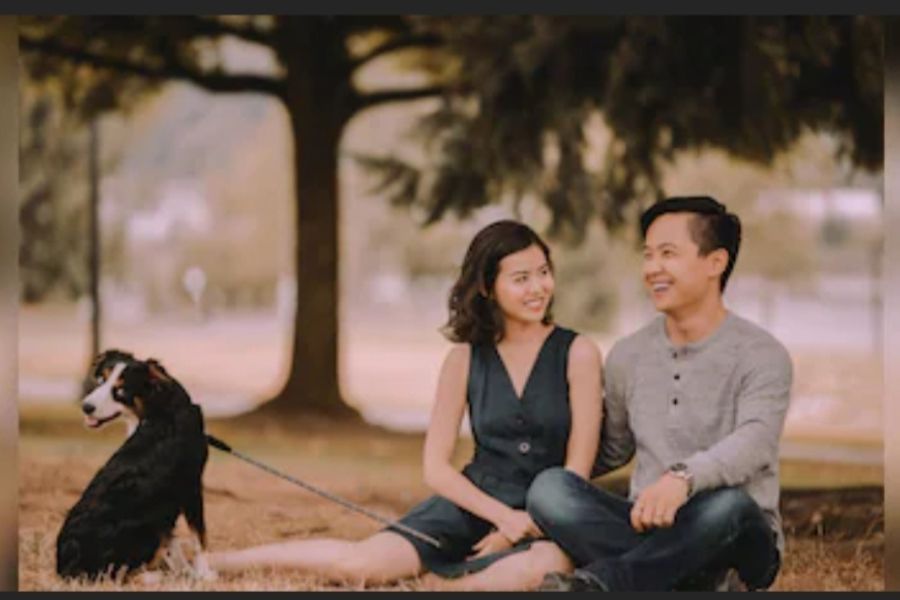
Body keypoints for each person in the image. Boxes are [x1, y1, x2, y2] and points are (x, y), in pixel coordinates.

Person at [208, 220, 603, 591]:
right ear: (487, 286)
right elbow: (436, 468)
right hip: (472, 503)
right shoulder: (465, 359)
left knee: (543, 567)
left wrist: (520, 526)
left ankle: (441, 585)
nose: (538, 287)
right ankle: (217, 562)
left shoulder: (578, 353)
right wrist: (501, 518)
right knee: (360, 565)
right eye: (521, 278)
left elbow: (575, 475)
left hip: (546, 518)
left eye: (543, 272)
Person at [528, 196, 792, 592]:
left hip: (735, 532)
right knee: (550, 490)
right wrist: (526, 456)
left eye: (667, 254)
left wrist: (683, 479)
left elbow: (755, 443)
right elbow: (612, 448)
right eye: (648, 255)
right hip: (647, 527)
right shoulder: (628, 355)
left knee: (729, 505)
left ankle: (605, 584)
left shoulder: (761, 354)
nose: (652, 269)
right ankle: (686, 578)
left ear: (715, 263)